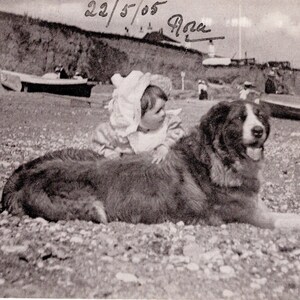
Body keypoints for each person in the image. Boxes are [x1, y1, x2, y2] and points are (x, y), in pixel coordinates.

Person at [90, 70, 185, 164]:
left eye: (163, 108)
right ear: (138, 117)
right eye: (158, 111)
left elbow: (179, 134)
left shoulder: (167, 124)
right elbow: (97, 144)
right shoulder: (121, 134)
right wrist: (110, 154)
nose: (163, 113)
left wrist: (165, 146)